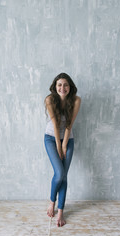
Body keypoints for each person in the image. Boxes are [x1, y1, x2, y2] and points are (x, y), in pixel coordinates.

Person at [44, 73, 81, 227]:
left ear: (70, 87)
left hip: (68, 139)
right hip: (51, 139)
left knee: (64, 176)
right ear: (55, 86)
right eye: (59, 85)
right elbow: (55, 125)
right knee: (59, 173)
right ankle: (52, 201)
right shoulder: (50, 100)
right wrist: (59, 146)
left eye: (65, 85)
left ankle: (60, 211)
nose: (62, 88)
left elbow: (68, 126)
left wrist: (65, 144)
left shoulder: (76, 100)